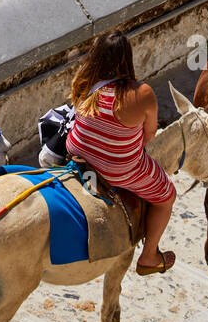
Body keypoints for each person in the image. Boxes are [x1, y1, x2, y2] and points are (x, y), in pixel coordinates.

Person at [65, 31, 178, 275]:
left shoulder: (84, 81)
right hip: (116, 168)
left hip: (77, 151)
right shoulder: (143, 93)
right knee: (167, 196)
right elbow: (148, 136)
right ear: (127, 57)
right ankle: (149, 257)